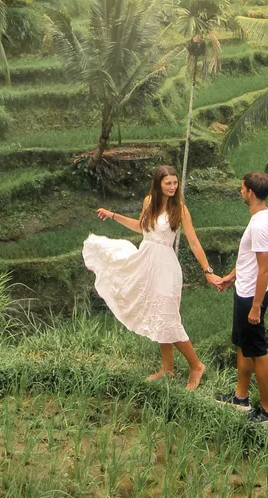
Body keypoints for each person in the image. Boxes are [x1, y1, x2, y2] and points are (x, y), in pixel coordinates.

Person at [82, 164, 218, 390]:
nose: (173, 187)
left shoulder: (180, 209)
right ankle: (168, 369)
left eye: (175, 183)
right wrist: (113, 215)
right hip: (146, 261)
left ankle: (196, 366)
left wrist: (208, 271)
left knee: (167, 316)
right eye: (168, 183)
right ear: (158, 184)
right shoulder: (149, 202)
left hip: (165, 266)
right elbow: (141, 227)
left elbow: (193, 242)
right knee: (157, 313)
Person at [215, 171, 268, 424]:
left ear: (250, 193)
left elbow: (264, 269)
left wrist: (255, 306)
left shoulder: (261, 225)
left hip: (251, 297)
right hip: (244, 291)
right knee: (243, 345)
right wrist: (232, 276)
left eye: (242, 188)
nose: (240, 191)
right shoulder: (263, 217)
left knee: (258, 351)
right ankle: (240, 398)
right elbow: (249, 261)